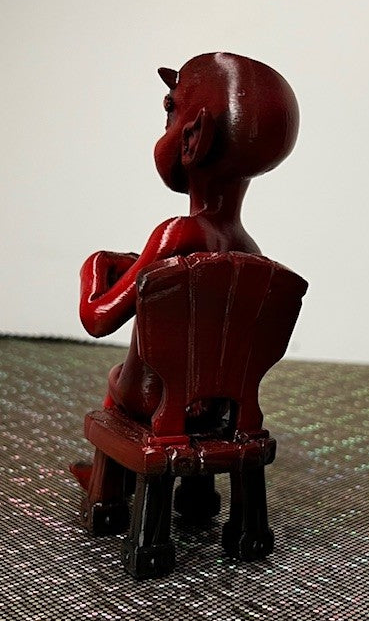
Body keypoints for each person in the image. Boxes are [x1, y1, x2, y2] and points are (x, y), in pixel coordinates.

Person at [79, 52, 299, 421]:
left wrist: (95, 266)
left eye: (170, 114)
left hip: (155, 403)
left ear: (193, 137)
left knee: (115, 376)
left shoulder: (177, 233)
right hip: (217, 409)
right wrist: (142, 265)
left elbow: (97, 319)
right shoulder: (251, 252)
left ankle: (108, 455)